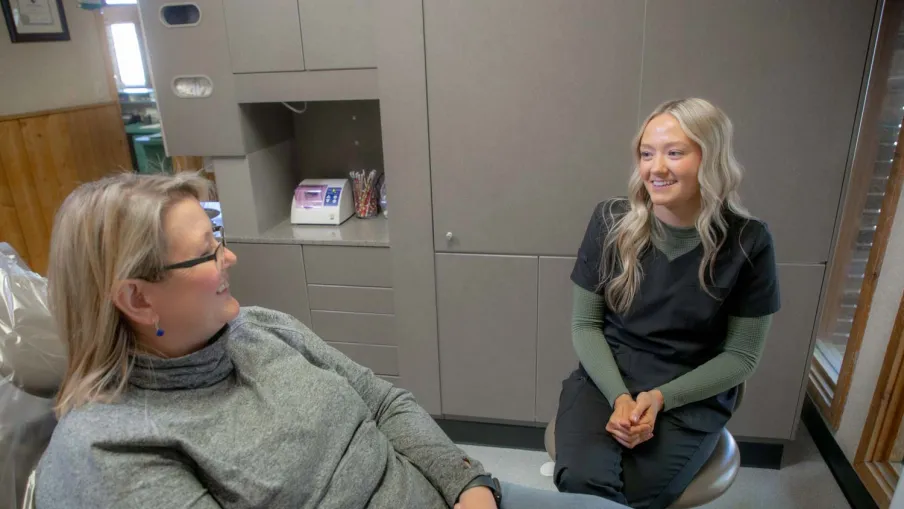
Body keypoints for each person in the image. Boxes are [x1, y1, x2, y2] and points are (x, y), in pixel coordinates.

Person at [34, 172, 628, 509]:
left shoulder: (258, 328)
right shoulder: (110, 453)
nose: (230, 256)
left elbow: (382, 400)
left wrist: (467, 484)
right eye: (207, 252)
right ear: (137, 298)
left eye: (219, 238)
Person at [553, 98, 781, 509]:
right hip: (608, 378)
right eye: (646, 153)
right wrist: (620, 397)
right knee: (582, 482)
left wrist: (660, 399)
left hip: (688, 393)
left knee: (637, 495)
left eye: (675, 152)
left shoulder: (749, 242)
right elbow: (585, 326)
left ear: (710, 159)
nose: (656, 168)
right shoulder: (610, 221)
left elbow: (743, 357)